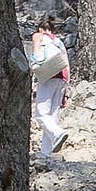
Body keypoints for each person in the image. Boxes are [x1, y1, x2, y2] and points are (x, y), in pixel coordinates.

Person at [30, 15, 69, 158]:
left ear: (40, 28)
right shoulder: (59, 42)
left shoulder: (38, 35)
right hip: (62, 77)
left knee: (41, 114)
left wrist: (34, 65)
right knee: (52, 115)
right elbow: (66, 64)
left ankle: (58, 133)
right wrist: (66, 90)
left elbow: (37, 55)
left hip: (48, 75)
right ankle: (47, 153)